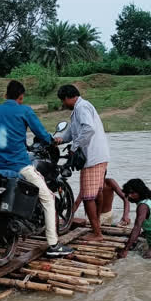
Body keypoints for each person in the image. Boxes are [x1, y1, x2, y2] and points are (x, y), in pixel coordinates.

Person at [0, 80, 73, 257]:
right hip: (20, 166)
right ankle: (53, 245)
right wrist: (51, 140)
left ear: (5, 95)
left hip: (0, 167)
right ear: (21, 97)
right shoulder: (24, 109)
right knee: (48, 198)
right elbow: (40, 132)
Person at [54, 84, 110, 242]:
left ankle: (97, 233)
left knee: (87, 197)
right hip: (99, 156)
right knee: (96, 193)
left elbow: (88, 129)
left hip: (92, 157)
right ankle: (96, 225)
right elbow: (72, 132)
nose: (63, 104)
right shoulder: (79, 109)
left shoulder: (81, 108)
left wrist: (74, 147)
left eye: (63, 101)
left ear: (67, 98)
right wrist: (59, 139)